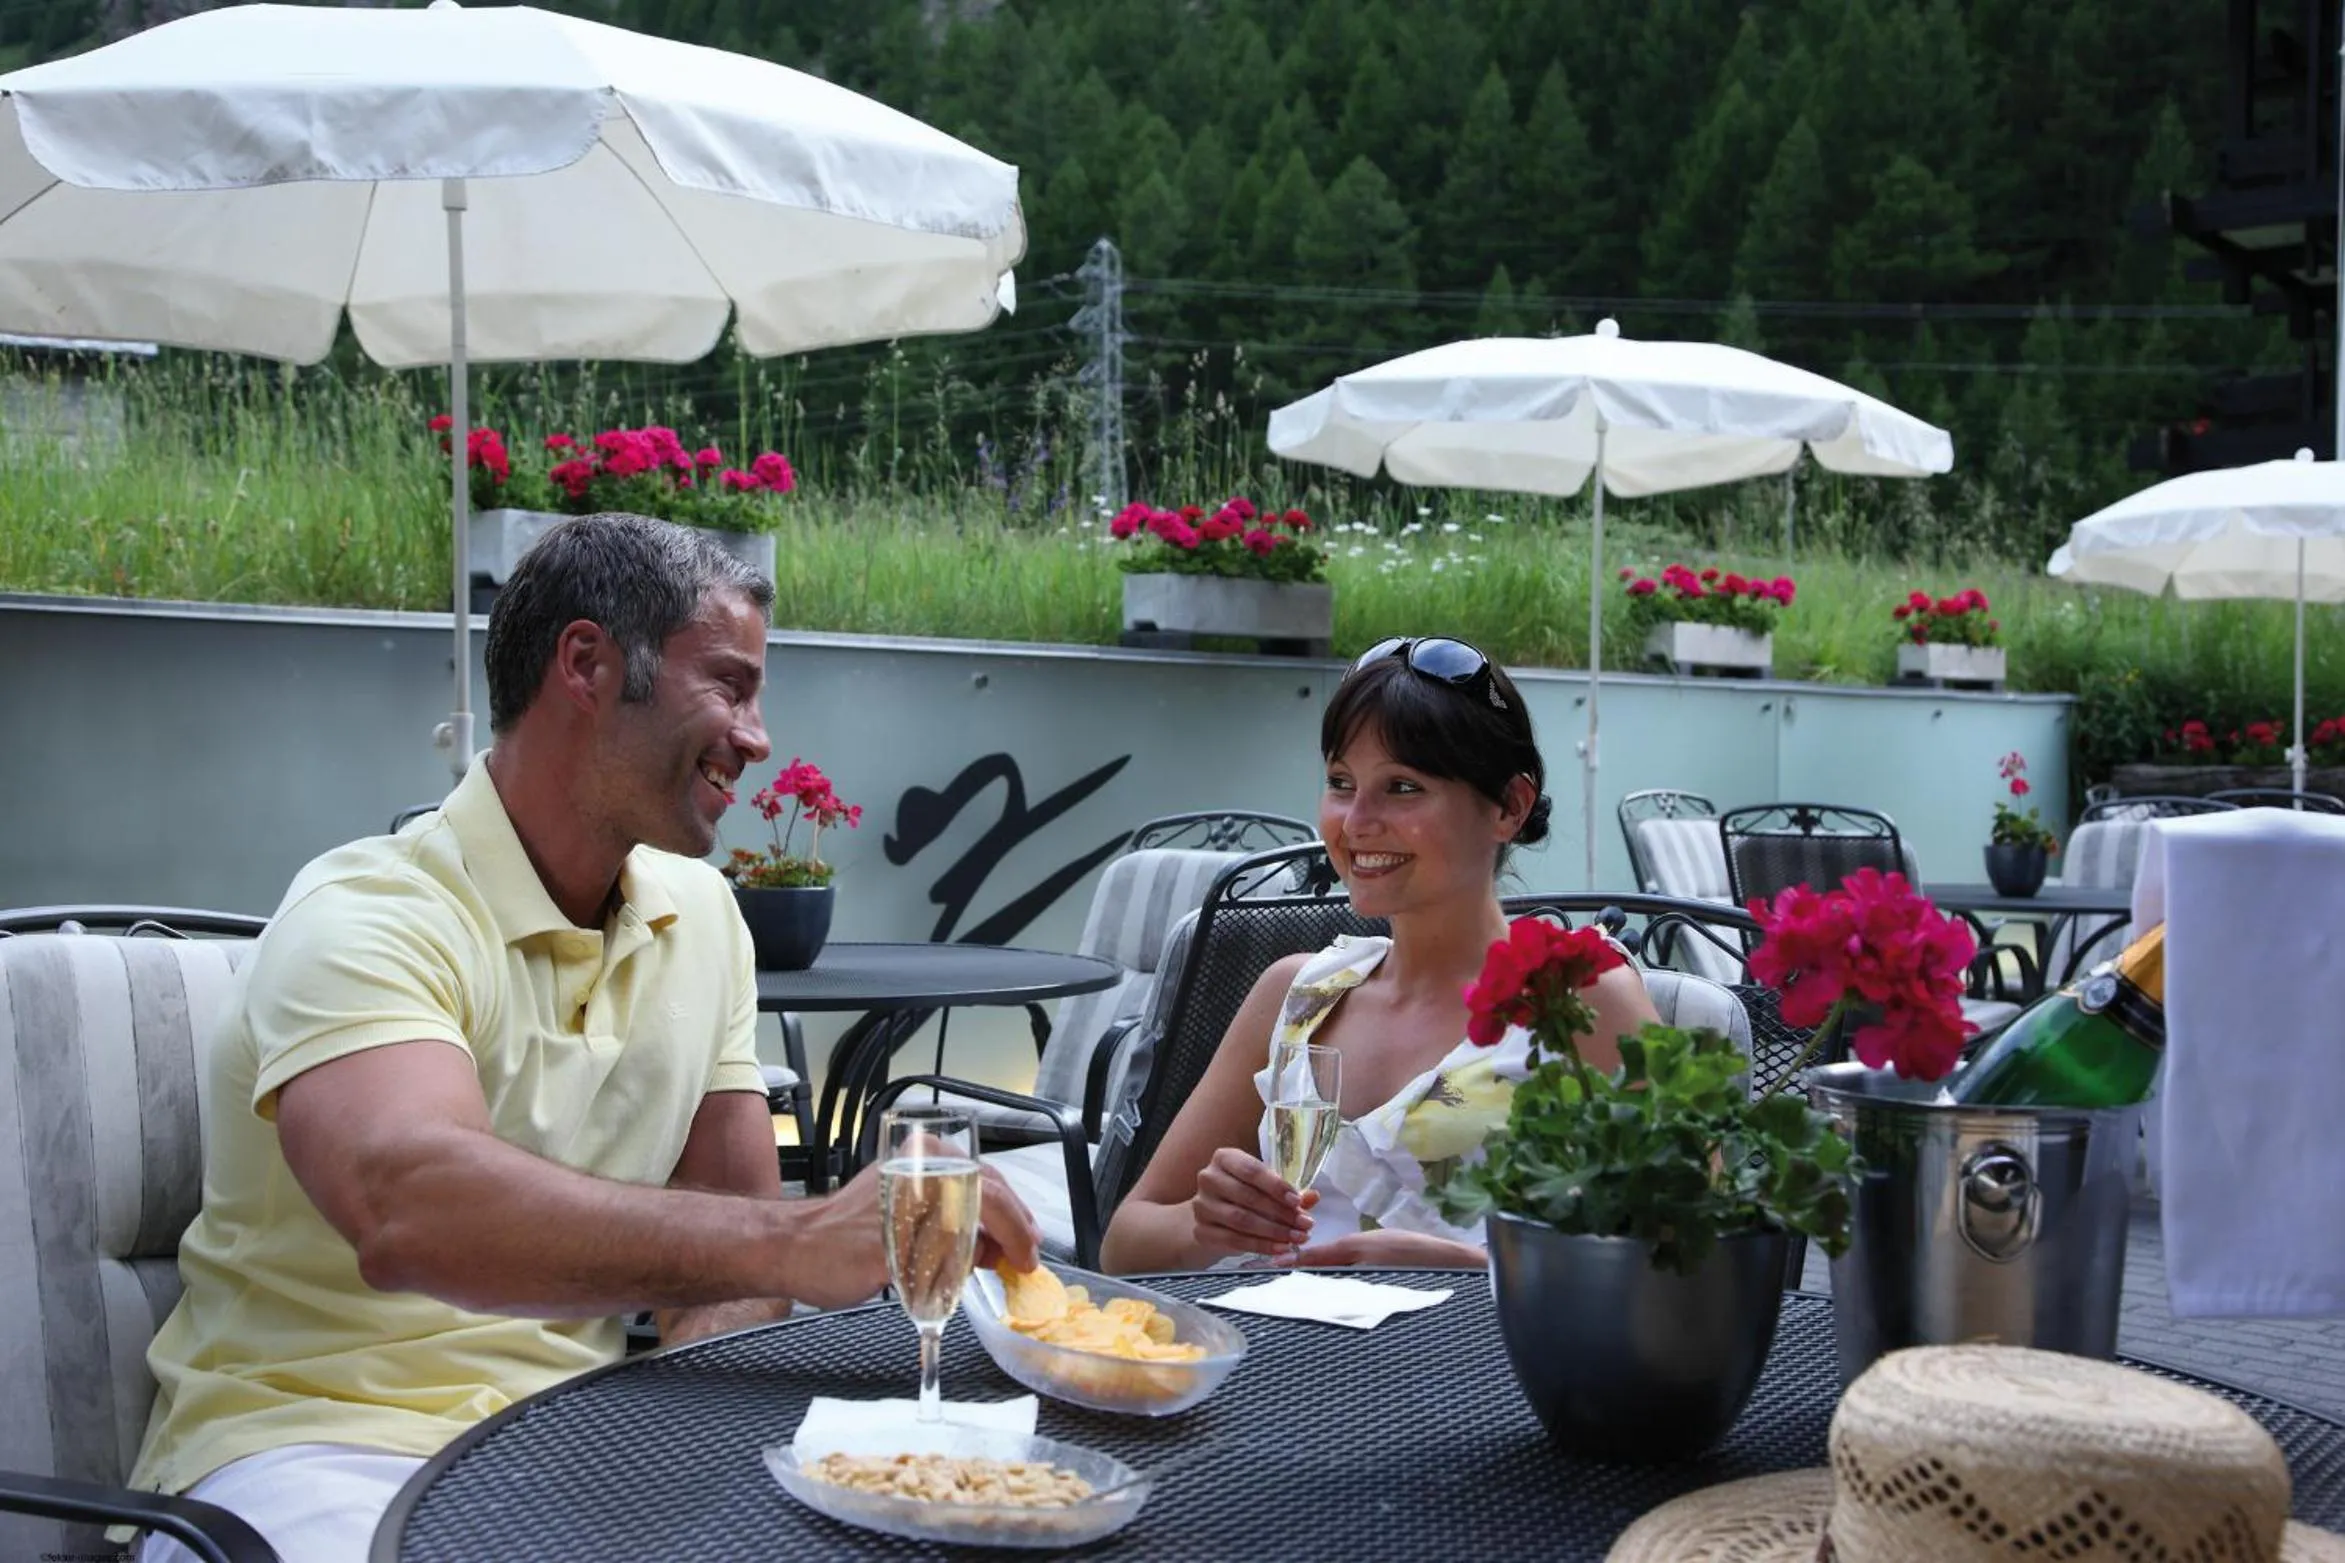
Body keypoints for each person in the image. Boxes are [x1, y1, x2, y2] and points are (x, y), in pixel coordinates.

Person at [129, 514, 1039, 1563]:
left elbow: (731, 1254)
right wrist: (796, 1238)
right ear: (587, 663)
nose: (757, 737)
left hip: (578, 1445)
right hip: (316, 1454)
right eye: (731, 685)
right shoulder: (366, 913)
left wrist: (706, 1439)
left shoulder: (702, 917)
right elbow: (406, 1205)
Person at [1098, 635, 1657, 1274]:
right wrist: (1208, 1227)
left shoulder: (1581, 1000)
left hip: (1467, 1371)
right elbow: (1124, 1246)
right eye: (1340, 781)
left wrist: (1486, 1274)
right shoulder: (1299, 996)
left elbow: (1702, 1268)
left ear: (1509, 807)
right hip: (1274, 1364)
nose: (1355, 820)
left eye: (1402, 787)